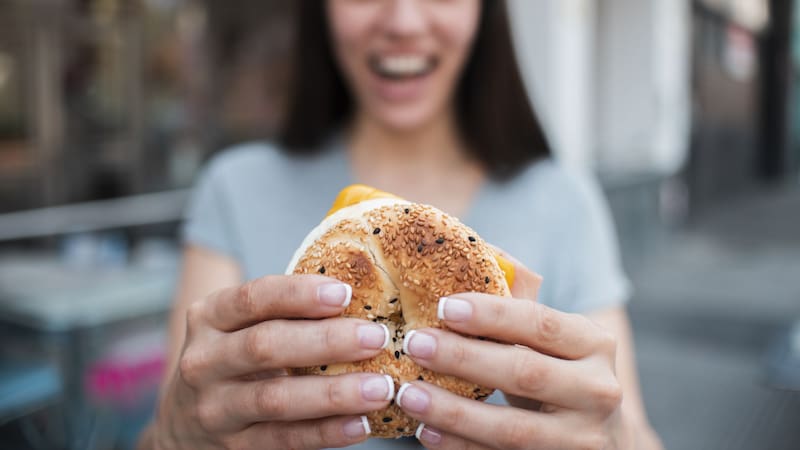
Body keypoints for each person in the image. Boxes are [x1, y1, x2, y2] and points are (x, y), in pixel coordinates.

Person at [139, 1, 664, 448]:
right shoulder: (236, 188)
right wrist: (177, 433)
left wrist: (612, 437)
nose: (404, 21)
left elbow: (631, 427)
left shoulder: (564, 201)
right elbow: (174, 420)